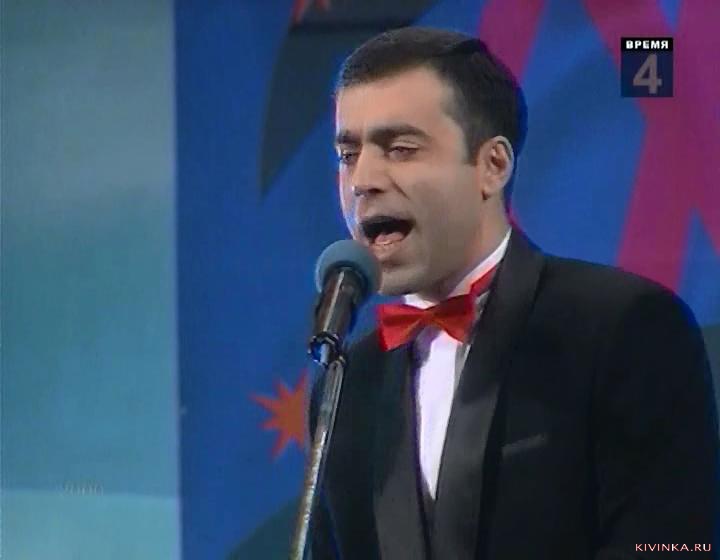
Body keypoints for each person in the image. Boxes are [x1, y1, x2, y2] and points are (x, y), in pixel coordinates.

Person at [308, 26, 718, 559]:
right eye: (348, 154)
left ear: (492, 166)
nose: (363, 180)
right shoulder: (346, 382)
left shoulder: (625, 328)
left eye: (401, 149)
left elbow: (673, 546)